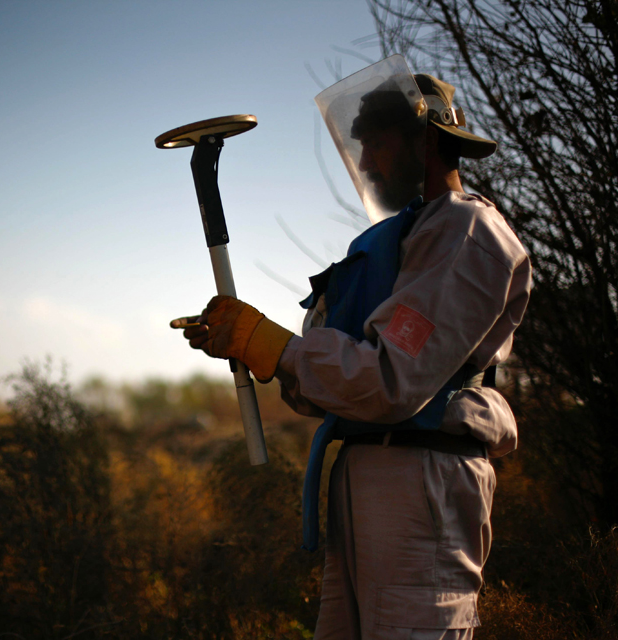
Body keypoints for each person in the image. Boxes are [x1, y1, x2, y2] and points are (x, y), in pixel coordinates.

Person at [172, 57, 531, 639]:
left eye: (377, 145)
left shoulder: (467, 232)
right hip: (369, 470)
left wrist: (275, 345)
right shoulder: (397, 243)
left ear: (426, 141)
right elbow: (334, 392)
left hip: (424, 476)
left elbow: (389, 381)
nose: (363, 163)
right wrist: (257, 349)